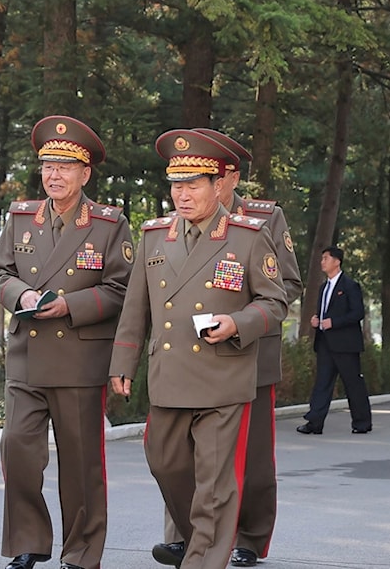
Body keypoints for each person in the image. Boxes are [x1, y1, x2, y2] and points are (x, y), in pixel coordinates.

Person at [108, 129, 287, 569]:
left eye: (192, 185)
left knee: (213, 482)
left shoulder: (247, 235)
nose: (182, 195)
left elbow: (275, 300)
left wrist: (237, 323)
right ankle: (204, 534)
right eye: (176, 186)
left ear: (217, 186)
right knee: (164, 462)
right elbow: (135, 309)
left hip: (223, 376)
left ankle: (205, 555)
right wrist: (123, 361)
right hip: (170, 374)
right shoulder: (153, 235)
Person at [151, 129, 303, 567]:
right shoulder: (174, 224)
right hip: (188, 360)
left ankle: (249, 539)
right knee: (183, 457)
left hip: (246, 355)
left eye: (221, 173)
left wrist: (241, 320)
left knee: (249, 460)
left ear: (228, 177)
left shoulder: (263, 220)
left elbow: (285, 284)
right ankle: (186, 536)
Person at [0, 116, 133, 569]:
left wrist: (69, 305)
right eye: (47, 165)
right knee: (19, 451)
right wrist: (22, 295)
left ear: (85, 174)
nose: (53, 175)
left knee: (81, 465)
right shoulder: (20, 218)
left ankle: (82, 550)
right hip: (27, 356)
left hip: (78, 358)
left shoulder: (109, 225)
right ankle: (29, 541)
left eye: (64, 167)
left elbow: (122, 290)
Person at [299, 245, 372, 434]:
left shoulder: (350, 286)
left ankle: (362, 423)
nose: (322, 262)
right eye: (322, 258)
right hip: (325, 343)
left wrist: (334, 322)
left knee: (353, 384)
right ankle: (314, 423)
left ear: (337, 261)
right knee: (322, 383)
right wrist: (317, 320)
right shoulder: (324, 287)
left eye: (326, 258)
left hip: (346, 345)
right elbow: (324, 312)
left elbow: (357, 313)